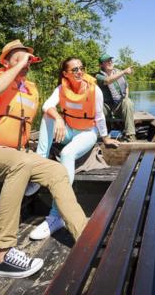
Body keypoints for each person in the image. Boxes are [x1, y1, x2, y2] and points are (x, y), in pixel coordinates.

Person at [0, 40, 88, 279]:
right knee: (22, 163)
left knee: (56, 171)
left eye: (28, 59)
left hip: (13, 156)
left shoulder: (28, 90)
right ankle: (2, 255)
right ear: (6, 62)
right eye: (18, 58)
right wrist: (16, 67)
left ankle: (87, 237)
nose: (26, 63)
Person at [30, 57, 120, 240]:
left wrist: (106, 138)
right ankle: (38, 170)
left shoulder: (94, 89)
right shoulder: (61, 88)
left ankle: (56, 216)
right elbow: (47, 105)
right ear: (65, 74)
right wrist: (59, 118)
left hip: (87, 133)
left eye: (82, 68)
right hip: (69, 130)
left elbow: (100, 116)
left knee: (67, 153)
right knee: (48, 116)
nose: (80, 72)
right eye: (75, 70)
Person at [96, 53, 136, 141]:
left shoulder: (118, 72)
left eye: (110, 60)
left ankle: (130, 135)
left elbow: (126, 86)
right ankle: (99, 136)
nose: (110, 62)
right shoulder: (98, 76)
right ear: (101, 65)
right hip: (106, 106)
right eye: (106, 61)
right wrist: (124, 71)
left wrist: (126, 97)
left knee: (127, 102)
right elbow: (108, 80)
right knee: (97, 108)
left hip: (118, 105)